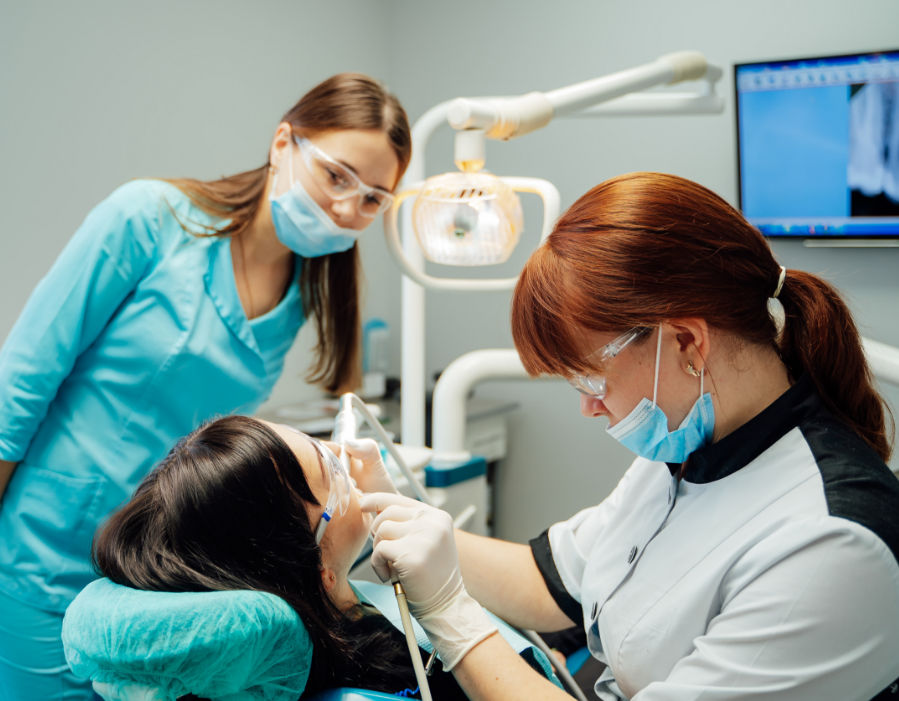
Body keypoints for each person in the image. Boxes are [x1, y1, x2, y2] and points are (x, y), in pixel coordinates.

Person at [361, 172, 899, 700]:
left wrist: (453, 618)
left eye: (592, 379)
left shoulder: (831, 542)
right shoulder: (692, 443)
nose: (588, 407)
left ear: (686, 342)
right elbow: (550, 583)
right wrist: (379, 513)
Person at [0, 73, 411, 699]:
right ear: (282, 143)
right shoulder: (147, 219)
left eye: (373, 199)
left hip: (161, 579)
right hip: (43, 546)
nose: (347, 210)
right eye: (337, 176)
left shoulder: (303, 293)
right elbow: (22, 382)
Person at [88, 415, 549, 698]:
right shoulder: (387, 674)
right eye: (328, 467)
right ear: (320, 569)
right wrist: (452, 613)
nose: (342, 458)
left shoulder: (333, 624)